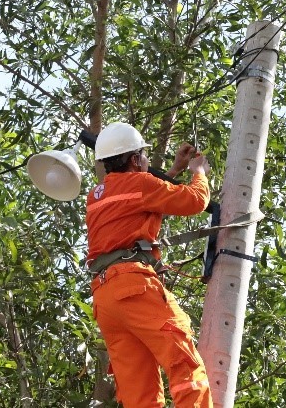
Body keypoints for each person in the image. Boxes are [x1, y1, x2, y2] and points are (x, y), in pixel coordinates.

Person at [86, 122, 213, 408]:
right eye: (142, 155)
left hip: (106, 298)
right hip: (133, 285)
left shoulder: (97, 195)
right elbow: (195, 201)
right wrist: (198, 172)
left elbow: (141, 202)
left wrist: (174, 171)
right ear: (134, 159)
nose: (145, 160)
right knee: (182, 358)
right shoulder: (140, 185)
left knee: (138, 392)